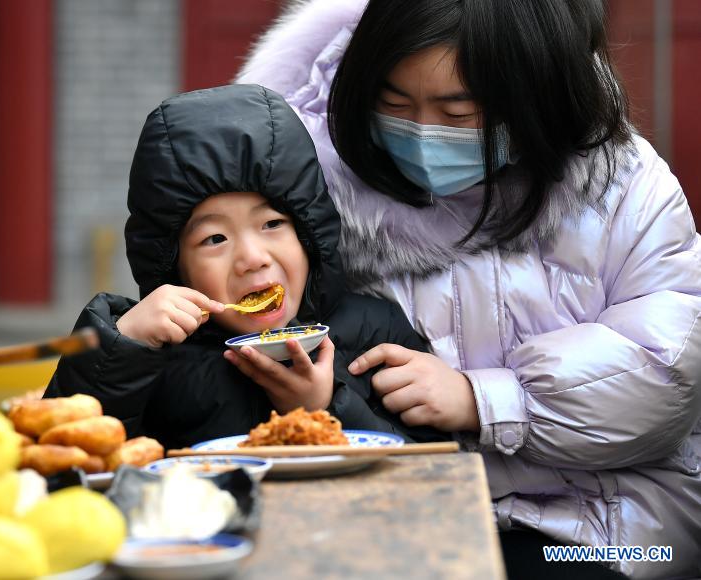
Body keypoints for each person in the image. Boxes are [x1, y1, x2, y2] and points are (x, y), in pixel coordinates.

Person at [236, 0, 701, 578]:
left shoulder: (626, 183)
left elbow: (666, 374)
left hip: (610, 529)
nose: (425, 134)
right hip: (399, 522)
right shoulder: (313, 197)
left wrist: (485, 402)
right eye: (396, 104)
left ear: (532, 94)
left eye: (457, 114)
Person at [45, 84, 444, 451]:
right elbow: (67, 458)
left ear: (310, 235)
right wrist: (123, 346)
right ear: (174, 266)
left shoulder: (376, 330)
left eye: (272, 224)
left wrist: (323, 407)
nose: (253, 257)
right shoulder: (153, 351)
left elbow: (434, 464)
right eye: (214, 239)